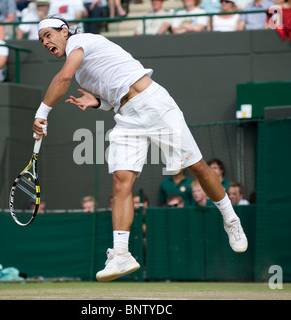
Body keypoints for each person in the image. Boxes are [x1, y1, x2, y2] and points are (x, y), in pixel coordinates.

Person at [33, 15, 248, 282]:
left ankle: (231, 220)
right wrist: (98, 102)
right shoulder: (81, 72)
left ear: (65, 31)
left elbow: (63, 78)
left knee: (197, 167)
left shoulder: (82, 41)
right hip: (126, 116)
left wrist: (42, 112)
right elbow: (113, 97)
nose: (45, 42)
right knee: (121, 181)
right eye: (41, 40)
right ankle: (121, 254)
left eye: (48, 35)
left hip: (153, 103)